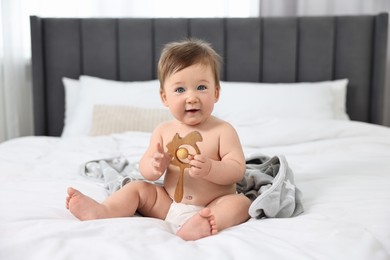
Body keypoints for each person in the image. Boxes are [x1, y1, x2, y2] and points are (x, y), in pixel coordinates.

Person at [66, 38, 251, 241]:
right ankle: (104, 210)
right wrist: (156, 165)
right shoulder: (163, 131)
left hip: (212, 204)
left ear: (216, 92)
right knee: (138, 188)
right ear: (165, 97)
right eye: (180, 90)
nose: (191, 97)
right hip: (169, 204)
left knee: (241, 204)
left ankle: (204, 223)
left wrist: (211, 169)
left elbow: (236, 170)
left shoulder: (223, 131)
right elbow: (146, 169)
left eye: (201, 87)